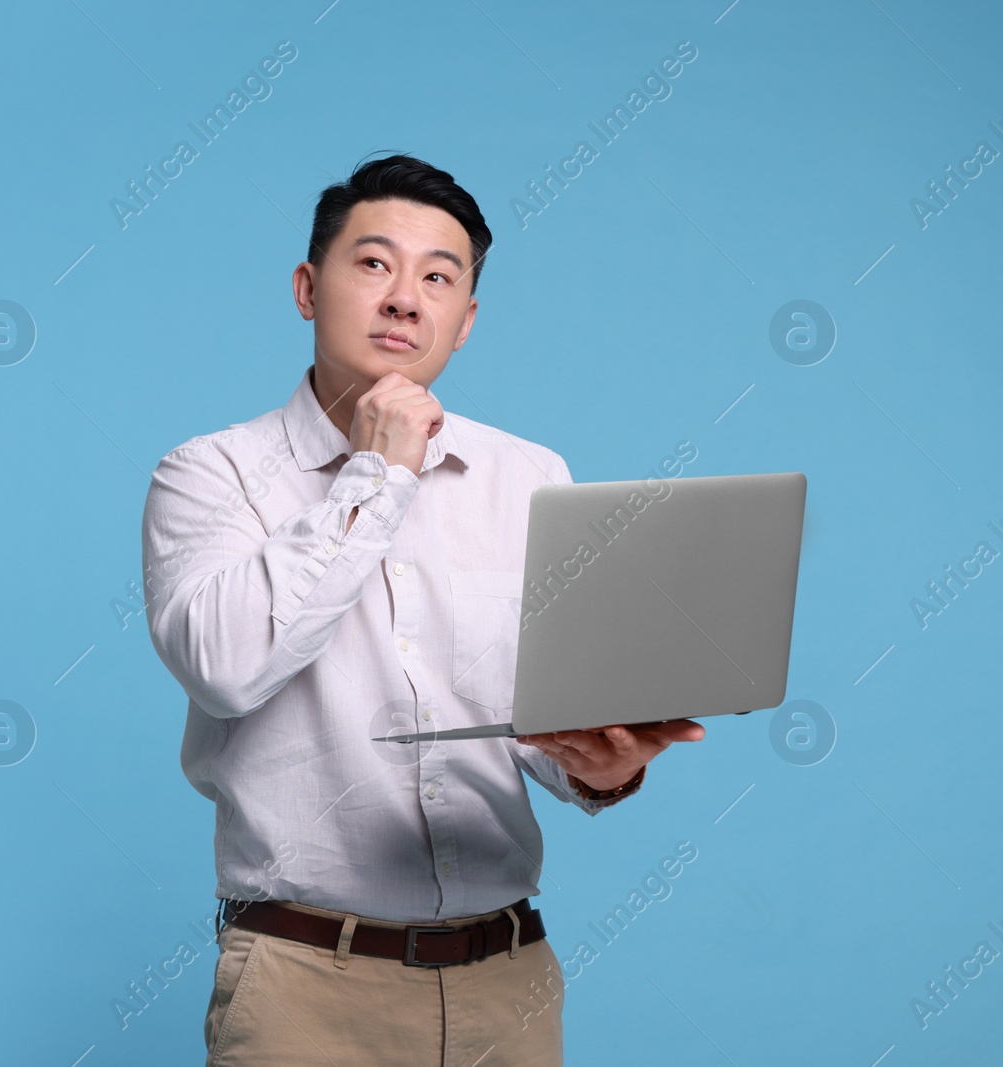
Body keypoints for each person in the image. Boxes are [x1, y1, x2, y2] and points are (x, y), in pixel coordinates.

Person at [139, 154, 706, 1066]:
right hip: (304, 986)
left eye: (439, 277)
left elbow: (539, 732)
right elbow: (228, 663)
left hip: (508, 980)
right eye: (374, 264)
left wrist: (604, 764)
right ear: (306, 287)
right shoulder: (211, 474)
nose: (406, 299)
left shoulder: (530, 476)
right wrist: (383, 472)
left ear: (466, 320)